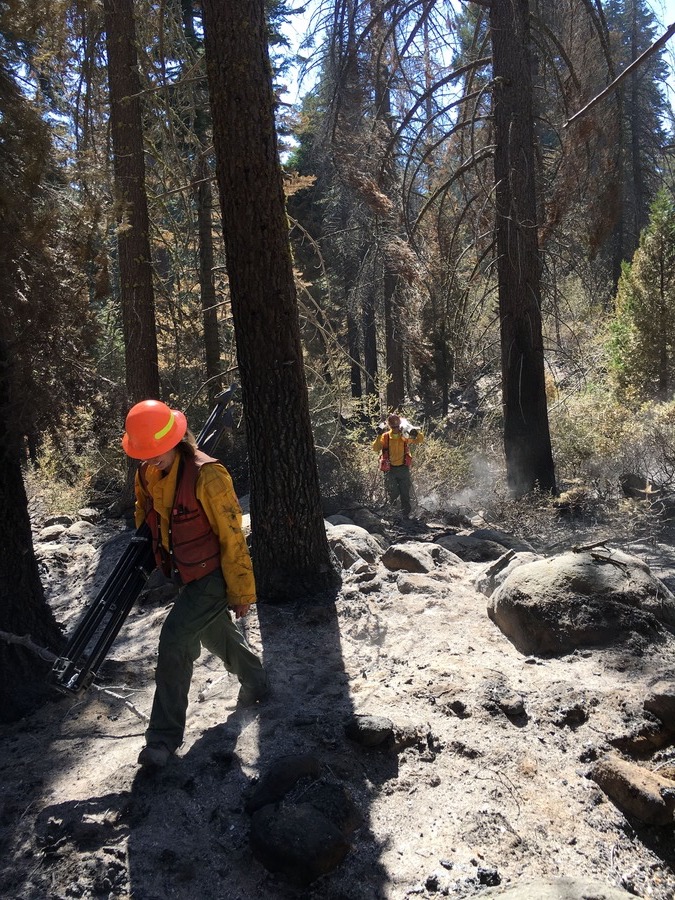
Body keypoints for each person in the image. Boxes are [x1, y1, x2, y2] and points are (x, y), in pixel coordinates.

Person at [122, 399, 269, 768]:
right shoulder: (147, 474)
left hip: (214, 574)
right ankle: (257, 683)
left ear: (175, 438)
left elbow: (233, 536)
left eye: (157, 450)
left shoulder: (209, 475)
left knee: (175, 640)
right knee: (212, 631)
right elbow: (146, 512)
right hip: (185, 574)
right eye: (146, 452)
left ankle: (162, 739)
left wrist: (240, 591)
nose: (152, 458)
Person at [372, 413, 424, 519]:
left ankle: (406, 515)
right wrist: (378, 435)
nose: (395, 428)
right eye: (393, 426)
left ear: (400, 425)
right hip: (389, 470)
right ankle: (394, 515)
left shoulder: (404, 436)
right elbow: (376, 448)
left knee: (405, 494)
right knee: (393, 494)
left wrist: (416, 433)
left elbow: (420, 440)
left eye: (397, 426)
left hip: (403, 469)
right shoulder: (385, 437)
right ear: (390, 426)